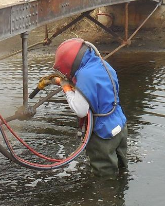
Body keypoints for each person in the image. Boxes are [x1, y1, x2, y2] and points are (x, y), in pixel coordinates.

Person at [37, 38, 128, 176]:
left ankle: (107, 196)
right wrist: (61, 82)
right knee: (121, 168)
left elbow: (80, 110)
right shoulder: (102, 64)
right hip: (119, 124)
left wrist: (66, 88)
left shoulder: (84, 75)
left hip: (102, 134)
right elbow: (95, 91)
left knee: (105, 176)